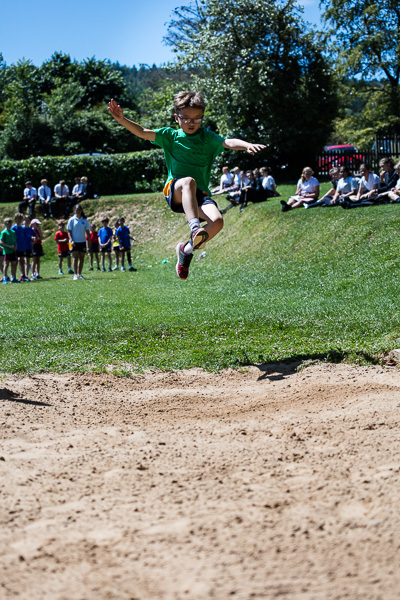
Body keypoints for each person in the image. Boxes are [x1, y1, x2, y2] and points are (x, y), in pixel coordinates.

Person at [108, 92, 265, 280]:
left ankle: (186, 250)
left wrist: (247, 144)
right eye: (187, 118)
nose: (192, 123)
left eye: (197, 119)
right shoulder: (170, 136)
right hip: (176, 191)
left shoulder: (207, 138)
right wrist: (122, 120)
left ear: (202, 118)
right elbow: (142, 132)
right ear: (177, 118)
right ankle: (194, 227)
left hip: (199, 194)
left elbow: (227, 142)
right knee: (188, 181)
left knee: (217, 221)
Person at [67, 204, 91, 280]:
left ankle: (79, 274)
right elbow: (69, 231)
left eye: (79, 209)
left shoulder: (84, 220)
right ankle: (75, 274)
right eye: (76, 209)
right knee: (75, 258)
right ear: (74, 210)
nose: (78, 211)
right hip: (74, 242)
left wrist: (89, 242)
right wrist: (71, 240)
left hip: (82, 241)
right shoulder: (71, 220)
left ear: (81, 210)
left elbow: (87, 232)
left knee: (82, 258)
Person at [11, 213, 28, 281]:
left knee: (22, 261)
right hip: (15, 247)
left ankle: (23, 275)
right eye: (18, 219)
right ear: (15, 219)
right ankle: (13, 276)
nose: (20, 220)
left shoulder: (22, 228)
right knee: (15, 262)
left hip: (22, 247)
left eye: (21, 219)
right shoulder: (13, 228)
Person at [0, 218, 18, 284]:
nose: (9, 225)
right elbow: (1, 242)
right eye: (7, 223)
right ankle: (5, 278)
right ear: (5, 224)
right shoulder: (3, 232)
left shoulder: (13, 232)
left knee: (13, 263)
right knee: (6, 264)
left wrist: (16, 246)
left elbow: (15, 240)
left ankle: (13, 277)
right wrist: (9, 246)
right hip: (7, 251)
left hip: (13, 250)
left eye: (10, 223)